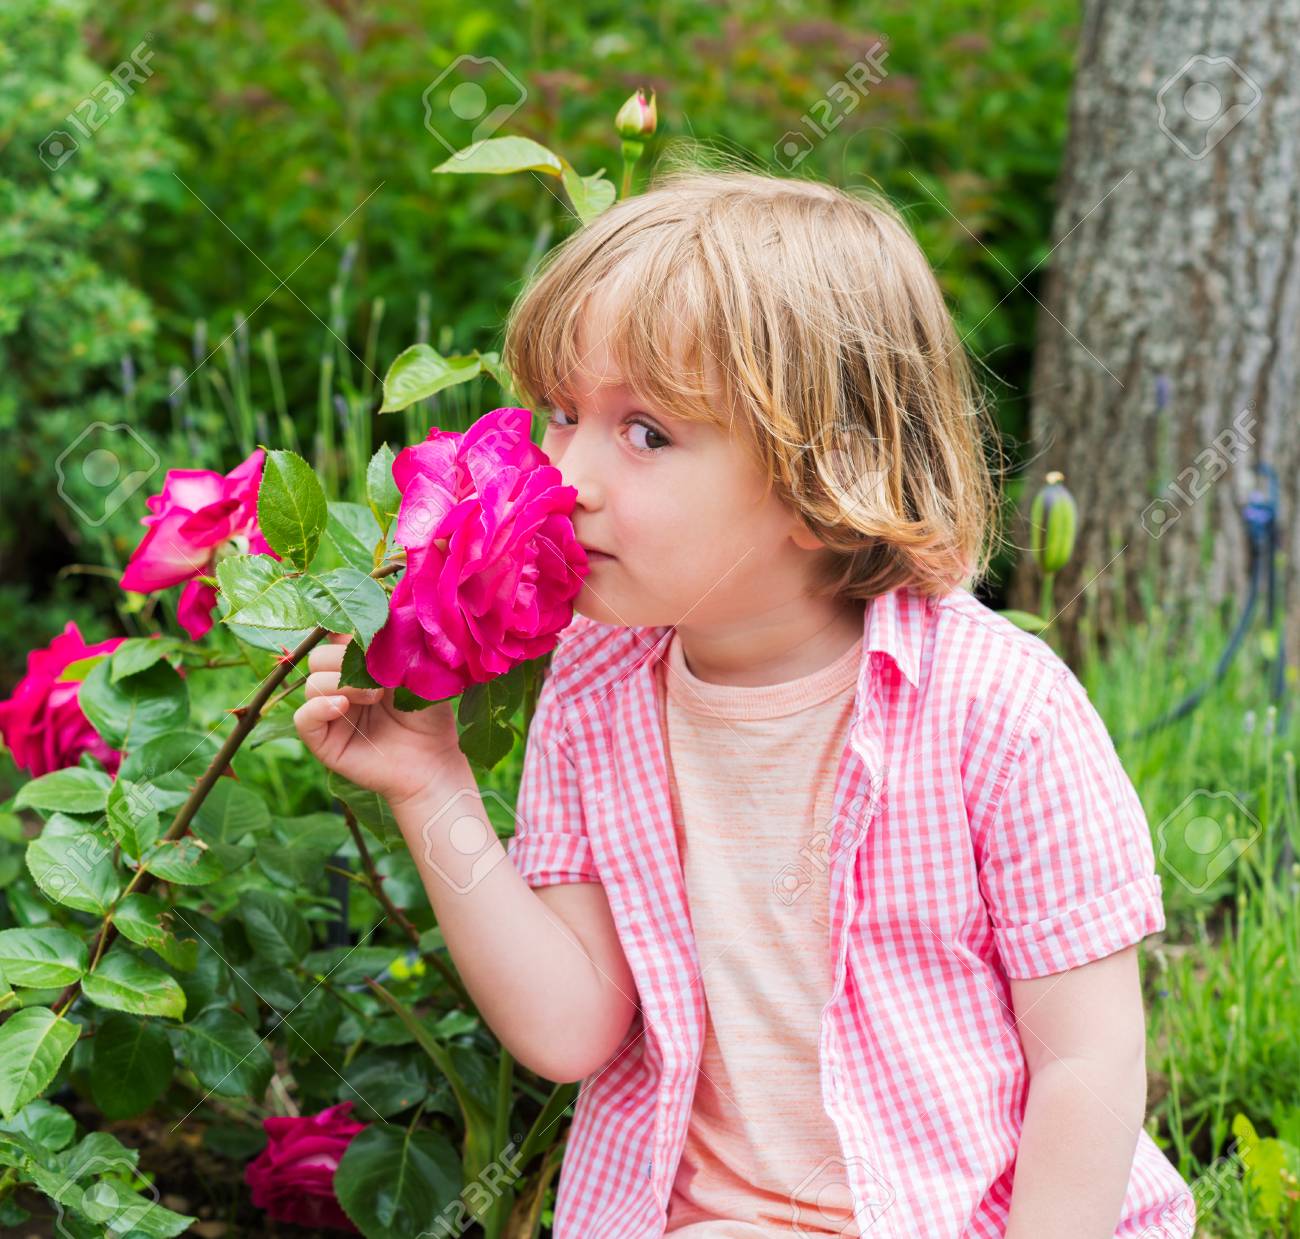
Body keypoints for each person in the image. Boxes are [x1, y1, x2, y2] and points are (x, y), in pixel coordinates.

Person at [294, 159, 1195, 1239]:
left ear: (826, 489)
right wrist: (430, 782)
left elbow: (1087, 1063)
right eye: (559, 413)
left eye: (645, 433)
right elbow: (573, 1026)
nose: (565, 473)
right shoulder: (594, 683)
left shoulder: (999, 710)